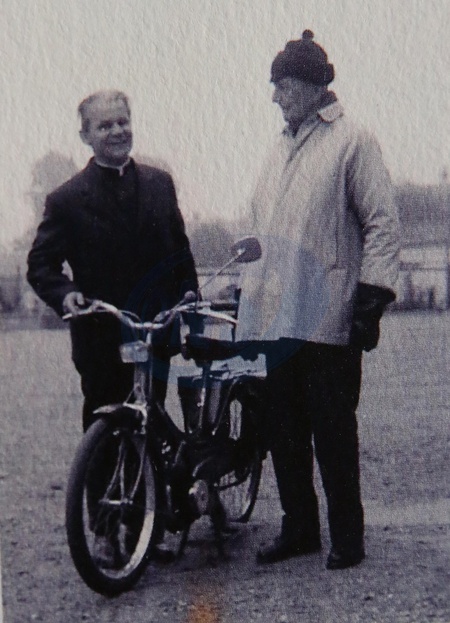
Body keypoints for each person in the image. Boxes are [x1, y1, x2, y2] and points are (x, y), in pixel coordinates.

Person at [237, 31, 400, 569]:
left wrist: (371, 299)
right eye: (274, 86)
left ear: (312, 87)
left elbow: (381, 224)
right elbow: (260, 227)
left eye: (282, 86)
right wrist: (244, 292)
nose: (275, 97)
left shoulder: (353, 141)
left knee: (332, 431)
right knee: (282, 430)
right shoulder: (278, 147)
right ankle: (300, 529)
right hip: (277, 316)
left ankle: (347, 536)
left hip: (329, 315)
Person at [27, 90, 198, 432]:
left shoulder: (160, 184)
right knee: (104, 432)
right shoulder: (66, 199)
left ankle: (158, 468)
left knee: (152, 421)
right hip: (100, 338)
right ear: (85, 136)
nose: (118, 131)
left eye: (123, 122)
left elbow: (180, 254)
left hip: (154, 331)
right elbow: (41, 264)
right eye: (105, 126)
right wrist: (66, 294)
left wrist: (190, 302)